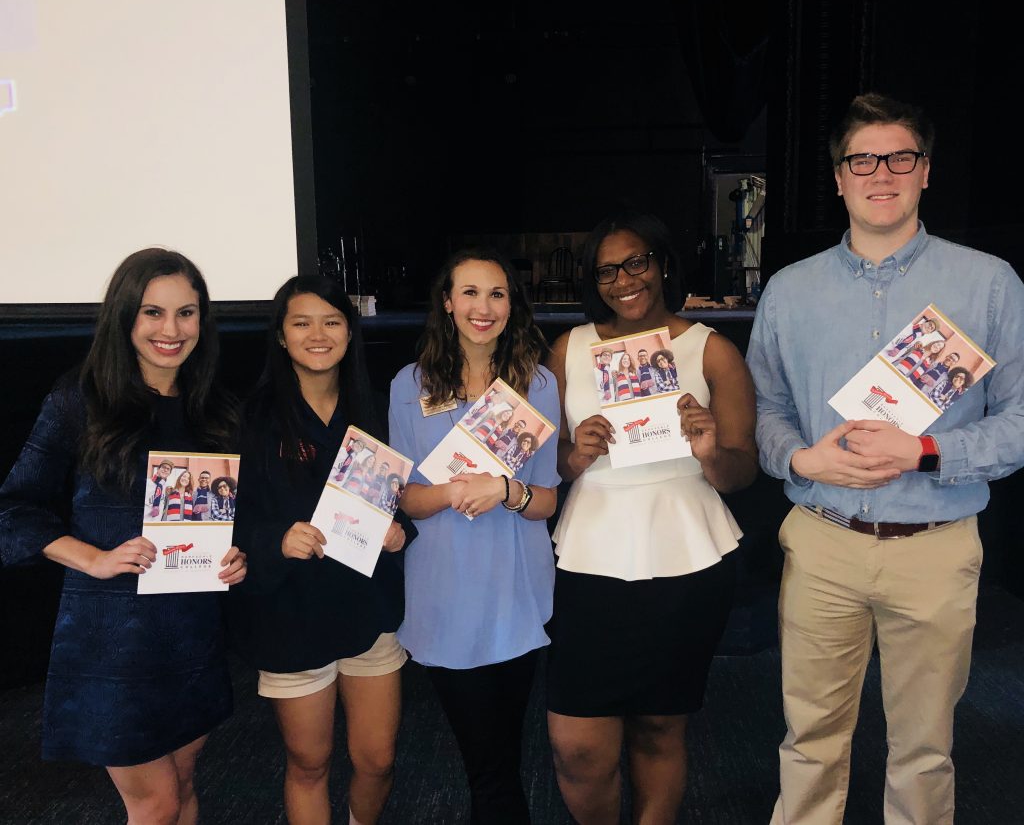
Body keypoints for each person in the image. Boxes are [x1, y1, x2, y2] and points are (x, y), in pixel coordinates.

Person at [746, 93, 1024, 824]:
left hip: (934, 548)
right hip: (821, 542)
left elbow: (1021, 423)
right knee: (809, 740)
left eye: (900, 157)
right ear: (838, 177)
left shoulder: (990, 283)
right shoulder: (788, 290)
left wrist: (926, 451)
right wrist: (803, 459)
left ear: (925, 171)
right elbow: (763, 413)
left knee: (925, 749)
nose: (881, 173)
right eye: (861, 159)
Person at [0, 249, 247, 824]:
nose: (171, 329)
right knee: (155, 803)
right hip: (113, 637)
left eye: (186, 313)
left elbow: (229, 514)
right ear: (124, 317)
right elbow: (12, 508)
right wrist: (95, 558)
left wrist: (236, 555)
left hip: (191, 631)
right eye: (152, 312)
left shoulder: (214, 409)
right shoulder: (78, 398)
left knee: (184, 786)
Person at [546, 211, 756, 824]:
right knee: (577, 746)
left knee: (661, 726)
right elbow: (545, 463)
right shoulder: (570, 349)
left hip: (686, 553)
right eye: (606, 270)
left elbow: (744, 470)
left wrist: (712, 453)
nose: (623, 280)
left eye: (635, 262)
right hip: (589, 553)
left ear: (661, 264)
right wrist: (574, 455)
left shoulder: (711, 351)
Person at [228, 275, 411, 825]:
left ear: (350, 333)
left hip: (366, 606)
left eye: (331, 321)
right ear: (281, 337)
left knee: (377, 759)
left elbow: (404, 494)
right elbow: (225, 519)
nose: (317, 334)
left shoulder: (378, 409)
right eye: (300, 322)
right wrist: (274, 540)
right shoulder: (248, 418)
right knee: (310, 762)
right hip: (290, 613)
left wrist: (401, 530)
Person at [388, 247, 559, 823]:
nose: (483, 307)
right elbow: (407, 498)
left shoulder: (537, 386)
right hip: (444, 593)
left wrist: (507, 491)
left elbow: (546, 502)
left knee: (502, 754)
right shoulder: (408, 387)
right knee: (483, 759)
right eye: (469, 293)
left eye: (497, 294)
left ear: (513, 304)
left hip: (515, 589)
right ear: (446, 302)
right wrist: (460, 490)